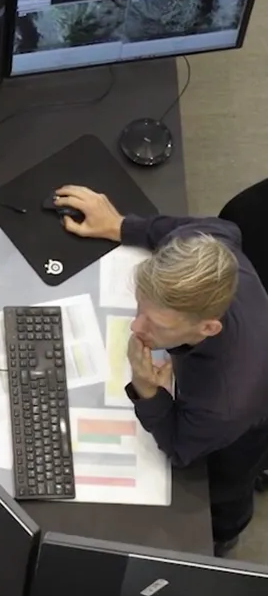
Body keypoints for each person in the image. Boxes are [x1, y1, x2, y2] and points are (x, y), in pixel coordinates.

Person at [54, 184, 268, 556]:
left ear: (207, 328)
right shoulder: (211, 241)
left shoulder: (223, 402)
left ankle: (226, 534)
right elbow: (197, 230)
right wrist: (120, 226)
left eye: (156, 323)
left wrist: (147, 391)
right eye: (140, 309)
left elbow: (180, 446)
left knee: (227, 485)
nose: (136, 328)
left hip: (245, 426)